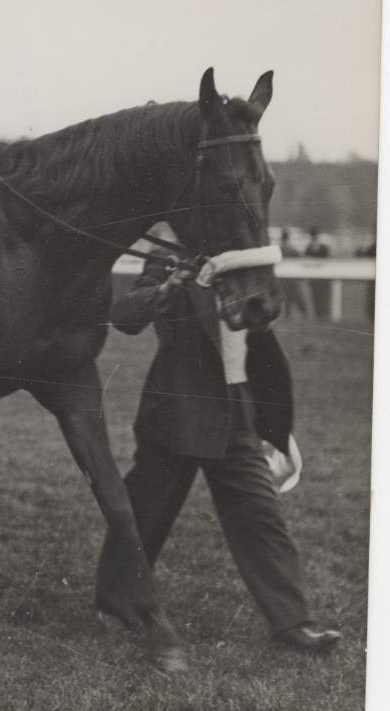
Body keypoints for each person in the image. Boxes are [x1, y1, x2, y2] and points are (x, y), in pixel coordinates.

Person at [108, 248, 341, 652]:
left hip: (237, 408)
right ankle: (114, 601)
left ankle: (293, 624)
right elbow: (124, 315)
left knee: (260, 514)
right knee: (147, 513)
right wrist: (165, 289)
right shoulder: (169, 254)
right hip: (178, 409)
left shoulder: (249, 257)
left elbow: (264, 322)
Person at [279, 228, 308, 319]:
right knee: (288, 300)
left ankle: (306, 316)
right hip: (284, 280)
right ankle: (289, 317)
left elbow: (300, 261)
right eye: (284, 240)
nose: (285, 242)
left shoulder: (293, 251)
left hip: (293, 280)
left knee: (298, 299)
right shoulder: (279, 250)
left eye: (286, 240)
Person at [305, 227, 332, 319]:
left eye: (314, 236)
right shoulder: (309, 247)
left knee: (323, 296)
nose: (313, 238)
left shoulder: (324, 247)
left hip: (323, 277)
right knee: (315, 296)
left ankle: (324, 315)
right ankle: (318, 315)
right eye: (312, 236)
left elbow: (327, 260)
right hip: (313, 277)